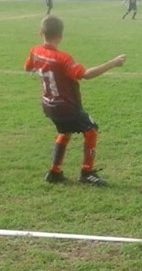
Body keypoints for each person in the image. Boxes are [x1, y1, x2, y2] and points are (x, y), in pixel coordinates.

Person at [24, 15, 127, 186]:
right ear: (61, 35)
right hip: (65, 106)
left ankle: (55, 171)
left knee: (65, 131)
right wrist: (113, 63)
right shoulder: (62, 58)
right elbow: (85, 74)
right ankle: (87, 172)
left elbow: (27, 68)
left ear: (41, 33)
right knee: (91, 129)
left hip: (48, 104)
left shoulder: (35, 51)